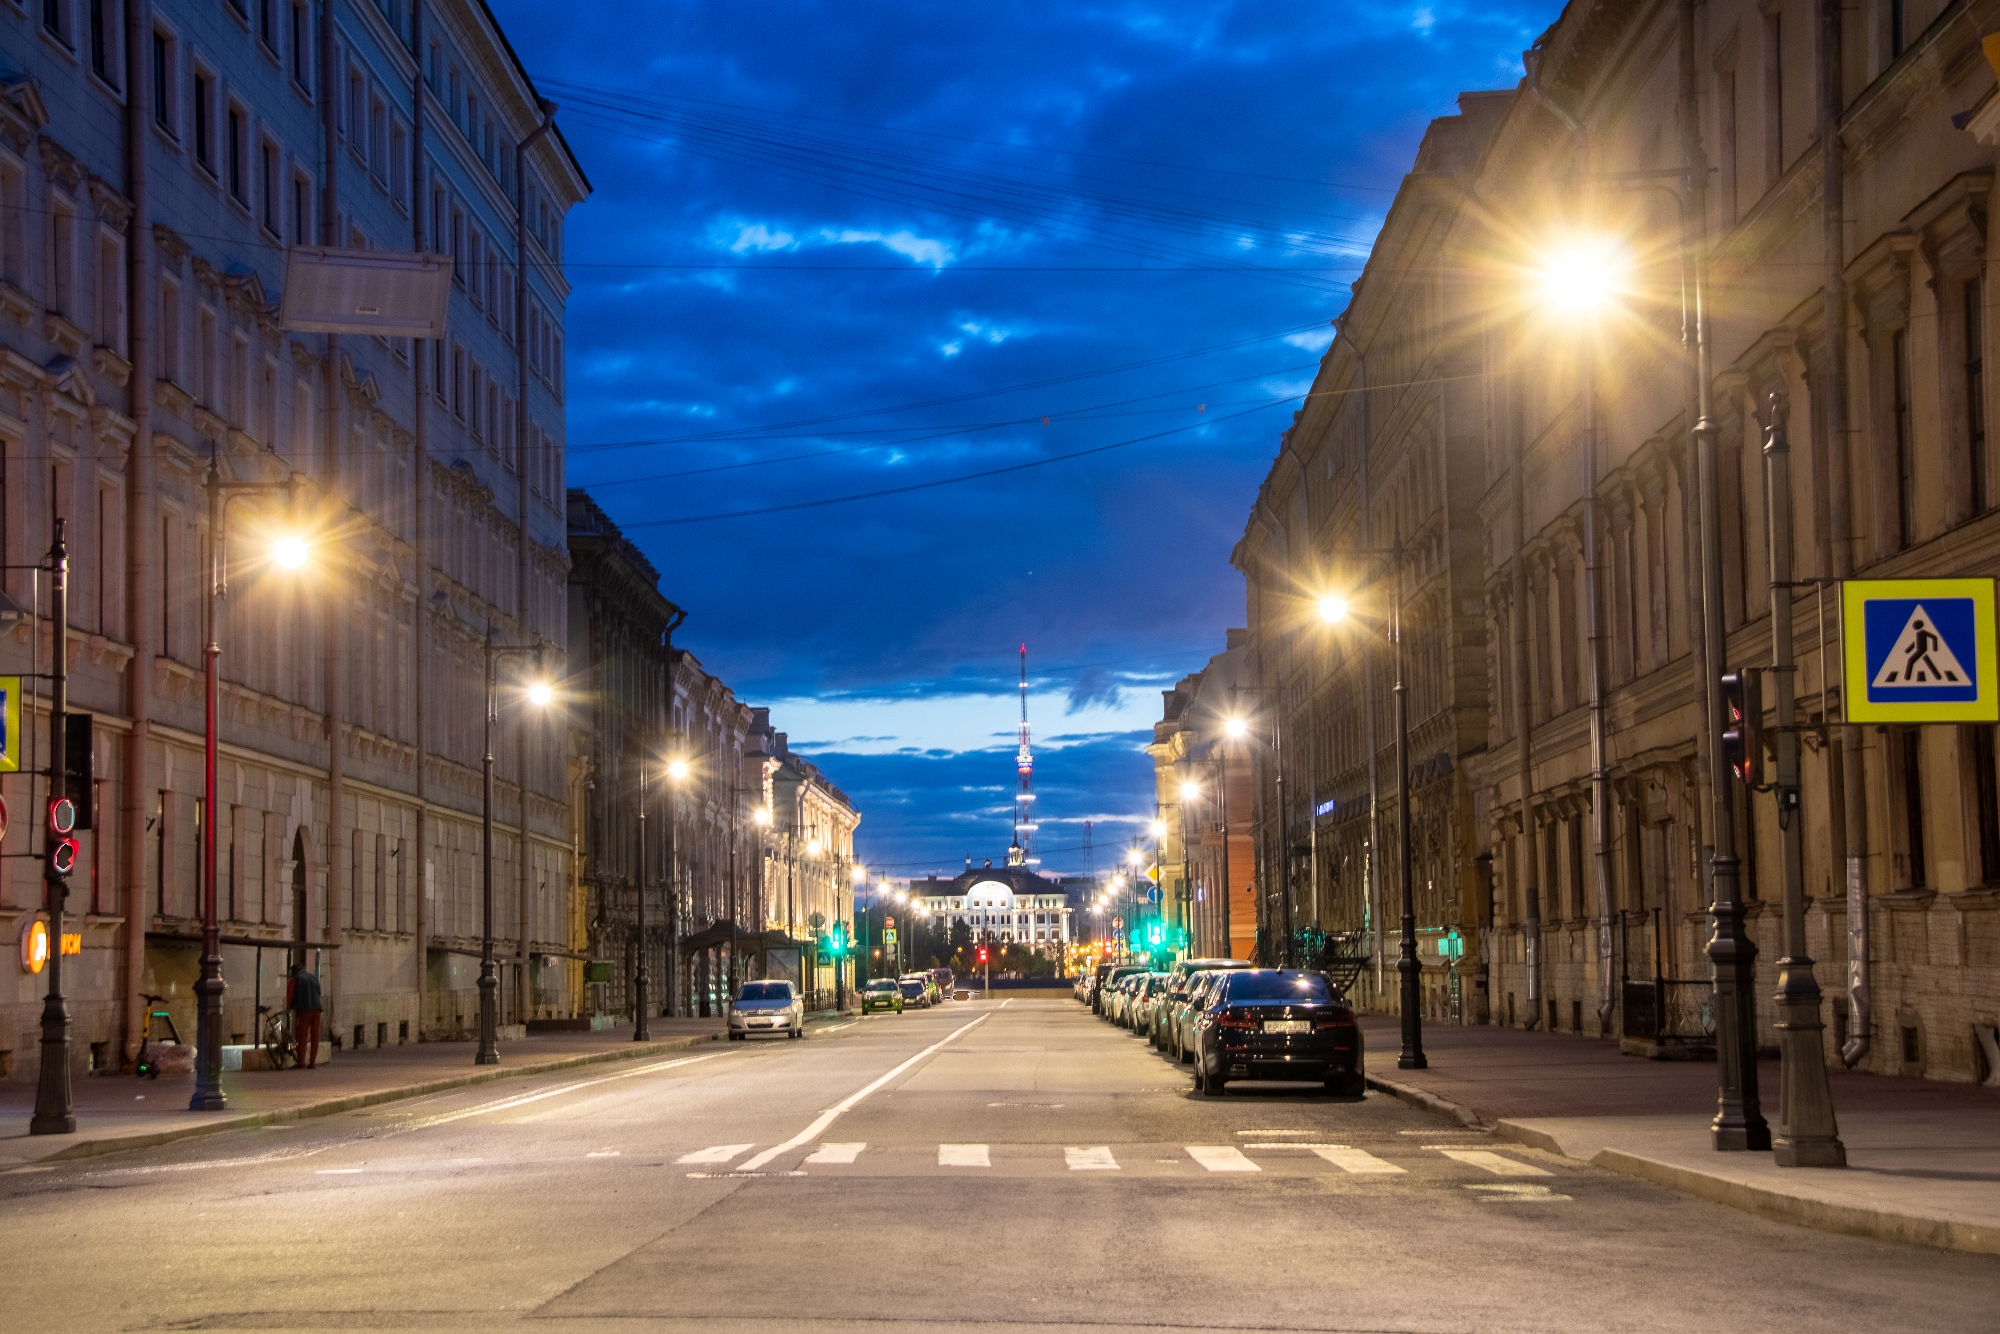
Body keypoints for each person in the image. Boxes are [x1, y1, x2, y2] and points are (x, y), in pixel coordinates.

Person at [287, 961, 323, 1070]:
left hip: (305, 1009)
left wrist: (290, 1006)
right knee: (315, 1036)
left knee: (302, 1036)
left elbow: (291, 995)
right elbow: (319, 992)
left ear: (294, 971)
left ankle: (301, 1062)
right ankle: (312, 1062)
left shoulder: (295, 979)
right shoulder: (313, 977)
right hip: (317, 1009)